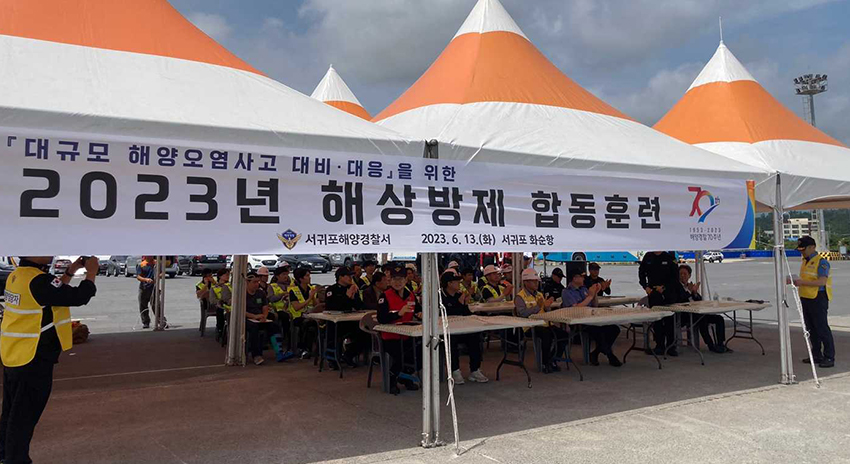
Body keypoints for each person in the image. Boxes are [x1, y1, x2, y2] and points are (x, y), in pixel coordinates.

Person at [0, 256, 98, 464]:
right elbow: (79, 296)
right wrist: (91, 273)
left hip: (15, 354)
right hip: (33, 357)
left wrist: (70, 271)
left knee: (11, 413)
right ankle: (15, 460)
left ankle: (4, 455)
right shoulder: (39, 281)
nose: (51, 254)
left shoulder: (18, 276)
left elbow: (54, 293)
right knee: (24, 417)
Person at [562, 270, 622, 367]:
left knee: (614, 329)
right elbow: (575, 309)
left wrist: (594, 294)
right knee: (599, 332)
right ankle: (610, 355)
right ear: (574, 278)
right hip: (579, 322)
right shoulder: (567, 292)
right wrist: (590, 297)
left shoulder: (584, 289)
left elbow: (594, 305)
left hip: (592, 318)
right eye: (581, 276)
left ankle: (596, 353)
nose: (583, 278)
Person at [377, 265, 422, 394]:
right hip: (390, 337)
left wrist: (420, 314)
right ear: (390, 280)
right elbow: (381, 318)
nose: (398, 282)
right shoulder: (385, 296)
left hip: (408, 335)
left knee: (422, 351)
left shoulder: (410, 295)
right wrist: (398, 314)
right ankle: (392, 380)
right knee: (400, 355)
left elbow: (418, 310)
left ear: (406, 280)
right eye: (394, 279)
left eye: (401, 279)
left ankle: (405, 376)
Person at [792, 236, 835, 368]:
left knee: (822, 328)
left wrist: (801, 282)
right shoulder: (805, 261)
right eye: (800, 250)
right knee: (810, 328)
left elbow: (822, 281)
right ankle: (816, 355)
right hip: (806, 297)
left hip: (818, 298)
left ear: (812, 247)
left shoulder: (821, 262)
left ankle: (829, 356)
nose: (802, 252)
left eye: (803, 249)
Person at [441, 272, 488, 384]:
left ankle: (475, 369)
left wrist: (465, 303)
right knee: (451, 341)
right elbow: (446, 313)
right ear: (449, 283)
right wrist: (460, 302)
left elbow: (466, 313)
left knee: (474, 336)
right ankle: (455, 370)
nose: (459, 283)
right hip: (446, 330)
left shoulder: (459, 295)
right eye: (456, 281)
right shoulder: (440, 296)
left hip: (462, 328)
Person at [515, 268, 564, 373]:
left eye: (536, 281)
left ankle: (553, 359)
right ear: (526, 282)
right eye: (533, 281)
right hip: (530, 327)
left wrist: (547, 306)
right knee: (546, 335)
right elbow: (522, 314)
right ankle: (545, 363)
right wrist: (538, 306)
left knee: (563, 335)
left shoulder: (540, 295)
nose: (536, 283)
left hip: (544, 323)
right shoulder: (520, 297)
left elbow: (545, 310)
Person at [675, 264, 729, 354]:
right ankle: (710, 345)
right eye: (680, 274)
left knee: (719, 318)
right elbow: (681, 300)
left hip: (697, 312)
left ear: (689, 275)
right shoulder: (676, 287)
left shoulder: (690, 286)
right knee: (702, 320)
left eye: (685, 274)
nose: (683, 276)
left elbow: (699, 300)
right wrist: (689, 292)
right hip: (685, 315)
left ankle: (720, 344)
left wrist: (695, 292)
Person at [639, 251, 680, 356]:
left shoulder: (670, 257)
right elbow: (641, 273)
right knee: (657, 320)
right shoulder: (648, 256)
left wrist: (664, 287)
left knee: (669, 320)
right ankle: (659, 345)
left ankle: (671, 346)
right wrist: (645, 287)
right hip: (653, 293)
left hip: (668, 293)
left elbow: (675, 278)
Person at [325, 266, 368, 367]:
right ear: (340, 277)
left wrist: (353, 297)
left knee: (365, 332)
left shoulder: (352, 288)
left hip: (349, 321)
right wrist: (347, 297)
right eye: (348, 276)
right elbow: (332, 307)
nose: (350, 278)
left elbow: (360, 306)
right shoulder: (332, 290)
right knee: (333, 334)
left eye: (351, 276)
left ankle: (349, 355)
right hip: (335, 322)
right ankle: (332, 359)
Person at [245, 271, 285, 365]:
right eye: (254, 282)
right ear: (247, 282)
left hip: (260, 317)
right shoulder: (242, 294)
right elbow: (241, 310)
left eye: (258, 282)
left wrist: (264, 316)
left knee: (274, 326)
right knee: (254, 329)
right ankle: (256, 355)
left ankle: (279, 352)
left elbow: (265, 307)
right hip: (247, 318)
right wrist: (254, 316)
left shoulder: (261, 293)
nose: (257, 284)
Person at [289, 268, 319, 359]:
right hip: (298, 317)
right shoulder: (293, 291)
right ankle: (303, 348)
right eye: (307, 276)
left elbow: (317, 306)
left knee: (314, 325)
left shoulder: (312, 289)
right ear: (301, 279)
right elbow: (296, 307)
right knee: (308, 324)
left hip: (312, 316)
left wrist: (313, 297)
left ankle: (314, 349)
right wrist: (309, 299)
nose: (309, 278)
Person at [269, 266, 296, 361]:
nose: (286, 276)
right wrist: (281, 295)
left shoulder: (292, 286)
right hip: (278, 310)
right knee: (284, 319)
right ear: (277, 276)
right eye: (283, 274)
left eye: (287, 274)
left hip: (292, 310)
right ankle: (285, 343)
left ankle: (292, 346)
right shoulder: (272, 286)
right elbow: (270, 299)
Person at [210, 268, 232, 342]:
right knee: (219, 311)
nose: (228, 276)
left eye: (228, 275)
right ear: (220, 276)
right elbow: (212, 300)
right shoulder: (214, 288)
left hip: (230, 305)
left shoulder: (230, 286)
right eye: (226, 275)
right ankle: (220, 330)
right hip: (221, 306)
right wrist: (219, 302)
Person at [136, 256, 157, 329]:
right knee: (143, 305)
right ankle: (145, 322)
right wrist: (145, 279)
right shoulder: (142, 265)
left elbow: (162, 273)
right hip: (144, 288)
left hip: (154, 288)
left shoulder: (156, 264)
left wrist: (157, 277)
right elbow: (138, 276)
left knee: (156, 305)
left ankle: (161, 321)